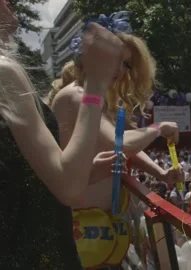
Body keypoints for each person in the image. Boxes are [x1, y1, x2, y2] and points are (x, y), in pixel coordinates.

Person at [0, 2, 124, 268]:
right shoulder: (4, 72)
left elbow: (15, 175)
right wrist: (95, 83)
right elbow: (69, 188)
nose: (10, 5)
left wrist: (85, 171)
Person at [48, 12, 183, 211]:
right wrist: (158, 128)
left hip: (98, 224)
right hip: (81, 226)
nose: (119, 69)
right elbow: (117, 144)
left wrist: (160, 173)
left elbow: (119, 146)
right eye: (114, 59)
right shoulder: (78, 95)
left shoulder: (91, 96)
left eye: (125, 64)